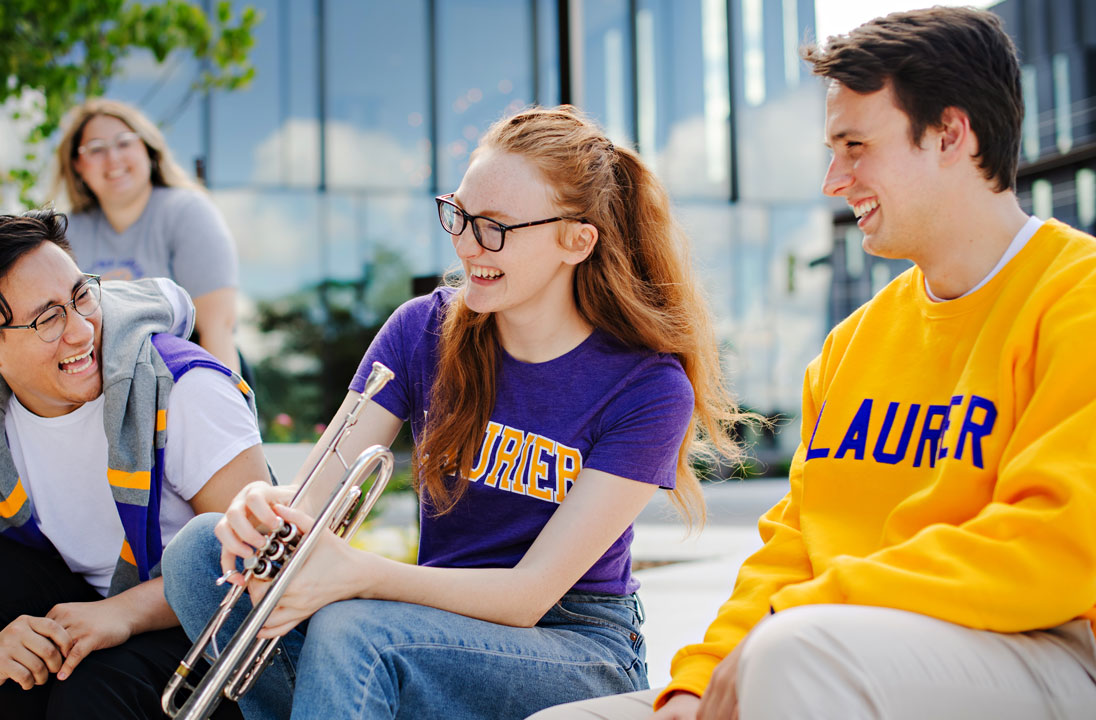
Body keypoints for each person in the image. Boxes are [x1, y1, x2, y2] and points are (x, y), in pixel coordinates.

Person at [531, 7, 1096, 720]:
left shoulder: (1079, 300)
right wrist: (697, 683)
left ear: (951, 134)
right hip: (831, 645)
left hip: (1045, 647)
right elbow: (794, 545)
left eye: (856, 145)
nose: (835, 179)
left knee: (794, 657)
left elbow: (1052, 547)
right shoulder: (855, 341)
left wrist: (799, 618)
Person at [161, 105, 747, 719]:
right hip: (432, 617)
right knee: (204, 551)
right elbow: (313, 501)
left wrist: (358, 575)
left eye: (494, 226)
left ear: (577, 240)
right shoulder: (421, 331)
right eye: (461, 215)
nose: (467, 244)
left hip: (575, 639)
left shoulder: (646, 387)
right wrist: (266, 519)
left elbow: (528, 595)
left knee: (357, 634)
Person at [0, 211, 272, 719]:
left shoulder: (180, 387)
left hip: (211, 638)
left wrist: (123, 614)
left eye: (81, 296)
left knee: (92, 688)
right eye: (48, 318)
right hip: (81, 619)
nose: (81, 331)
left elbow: (260, 563)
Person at [54, 97, 244, 377]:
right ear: (77, 165)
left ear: (148, 150)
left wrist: (223, 412)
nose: (113, 158)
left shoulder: (187, 212)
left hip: (186, 379)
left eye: (124, 143)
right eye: (96, 149)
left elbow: (217, 329)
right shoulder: (66, 233)